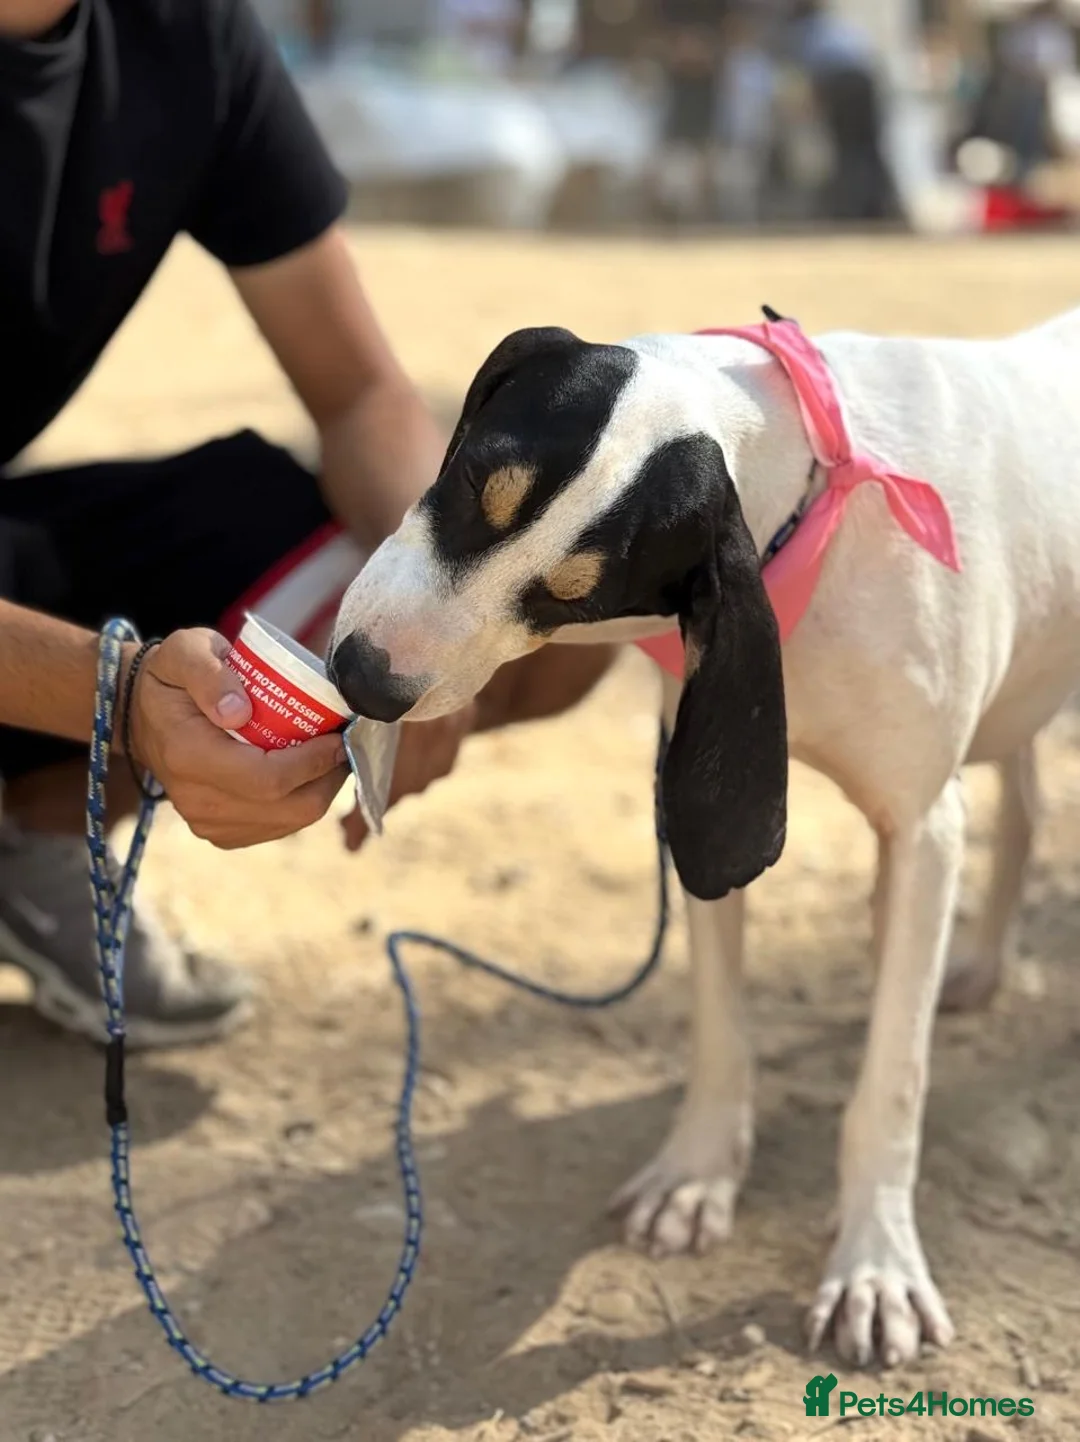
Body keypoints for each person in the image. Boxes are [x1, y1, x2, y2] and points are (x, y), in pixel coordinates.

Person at [0, 0, 615, 1048]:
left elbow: (359, 392)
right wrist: (123, 697)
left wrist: (444, 607)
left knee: (531, 603)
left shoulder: (182, 36)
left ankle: (33, 836)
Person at [787, 0, 902, 223]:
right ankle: (874, 206)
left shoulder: (803, 32)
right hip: (863, 83)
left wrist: (813, 108)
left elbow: (814, 76)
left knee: (849, 151)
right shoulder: (837, 25)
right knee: (866, 148)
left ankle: (855, 207)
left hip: (843, 86)